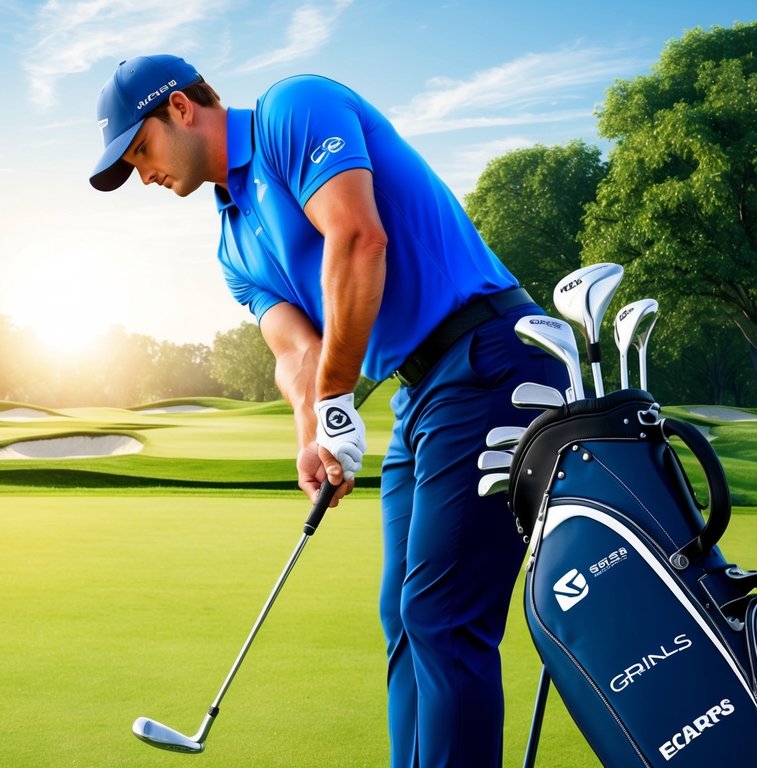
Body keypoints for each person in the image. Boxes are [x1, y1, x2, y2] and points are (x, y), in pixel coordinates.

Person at [88, 54, 565, 767]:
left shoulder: (293, 110)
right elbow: (297, 356)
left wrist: (338, 399)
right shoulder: (231, 244)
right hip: (423, 392)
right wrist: (313, 432)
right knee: (403, 619)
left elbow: (357, 238)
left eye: (140, 149)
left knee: (441, 616)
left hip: (494, 356)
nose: (143, 174)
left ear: (180, 109)